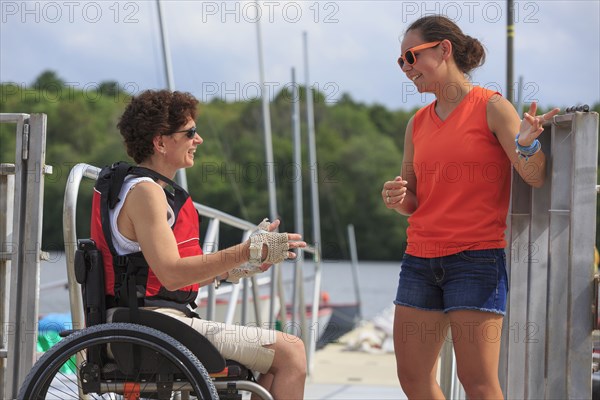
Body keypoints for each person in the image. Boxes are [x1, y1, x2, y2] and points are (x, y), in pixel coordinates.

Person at [382, 15, 560, 399]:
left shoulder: (493, 107)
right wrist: (397, 199)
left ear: (444, 49)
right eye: (401, 62)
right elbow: (412, 200)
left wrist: (528, 143)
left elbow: (534, 176)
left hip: (476, 260)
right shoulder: (416, 124)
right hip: (420, 259)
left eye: (410, 57)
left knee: (477, 382)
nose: (406, 69)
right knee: (412, 378)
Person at [91, 89, 307, 398]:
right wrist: (247, 249)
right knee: (292, 351)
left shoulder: (141, 189)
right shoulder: (146, 193)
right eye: (190, 132)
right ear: (161, 142)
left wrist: (242, 267)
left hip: (147, 322)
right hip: (148, 328)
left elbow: (166, 278)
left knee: (278, 358)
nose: (199, 139)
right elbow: (172, 274)